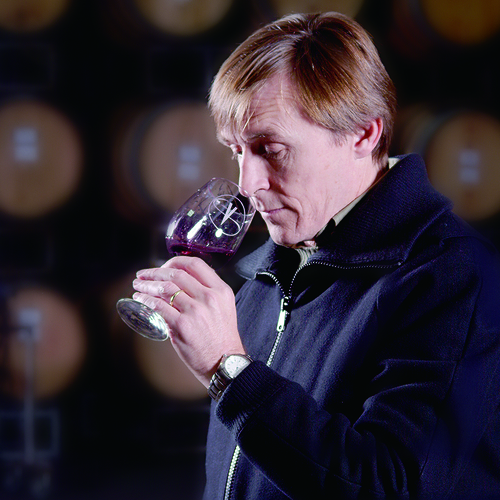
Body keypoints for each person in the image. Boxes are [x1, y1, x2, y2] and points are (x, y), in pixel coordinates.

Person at [131, 12, 500, 500]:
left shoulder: (452, 278)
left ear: (363, 134)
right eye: (237, 150)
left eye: (270, 148)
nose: (247, 185)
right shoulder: (266, 276)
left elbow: (389, 486)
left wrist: (227, 369)